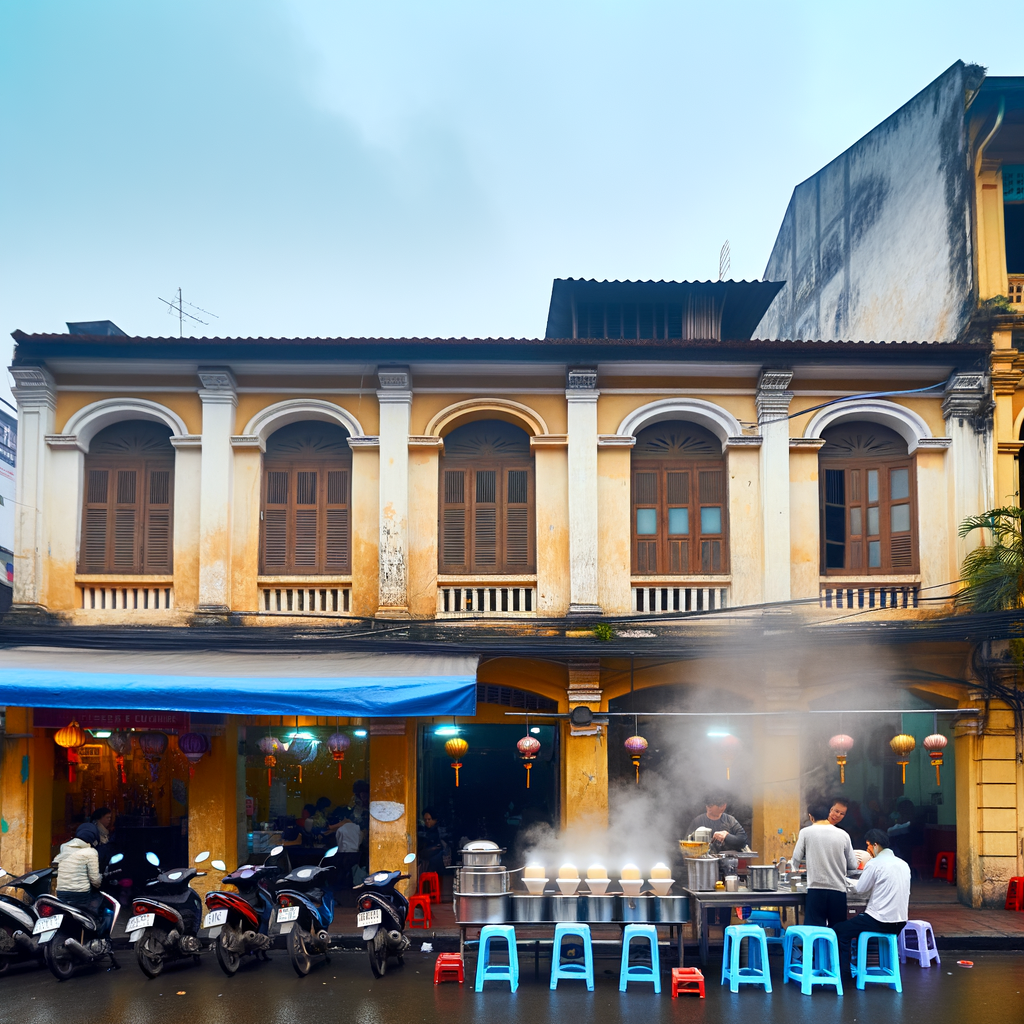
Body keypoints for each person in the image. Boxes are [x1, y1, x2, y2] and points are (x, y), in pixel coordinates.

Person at [832, 829, 910, 973]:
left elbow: (861, 888)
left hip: (879, 920)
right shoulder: (903, 864)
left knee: (840, 929)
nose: (868, 850)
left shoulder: (874, 863)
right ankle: (861, 966)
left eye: (868, 846)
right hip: (900, 923)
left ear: (875, 845)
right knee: (856, 926)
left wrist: (845, 880)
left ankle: (844, 974)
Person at [791, 800, 859, 928]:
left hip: (816, 889)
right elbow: (853, 865)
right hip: (838, 890)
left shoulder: (806, 832)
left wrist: (793, 871)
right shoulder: (843, 835)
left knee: (814, 931)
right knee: (838, 930)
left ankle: (816, 949)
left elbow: (796, 859)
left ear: (811, 816)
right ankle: (835, 949)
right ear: (828, 813)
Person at [53, 823, 109, 932]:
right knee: (98, 905)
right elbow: (95, 880)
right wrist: (101, 878)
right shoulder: (91, 852)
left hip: (61, 892)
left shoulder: (64, 847)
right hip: (80, 895)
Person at [419, 807, 446, 876]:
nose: (427, 822)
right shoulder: (424, 830)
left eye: (429, 819)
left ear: (435, 820)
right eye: (425, 820)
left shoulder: (440, 830)